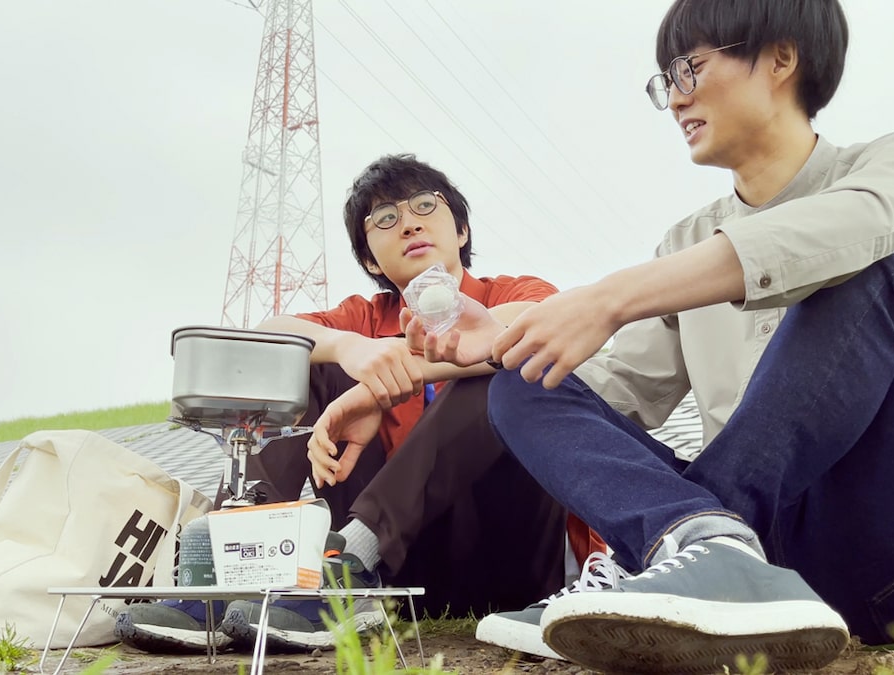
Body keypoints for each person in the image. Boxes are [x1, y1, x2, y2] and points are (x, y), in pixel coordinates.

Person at [406, 0, 894, 672]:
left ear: (782, 57)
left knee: (878, 265)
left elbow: (849, 229)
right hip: (756, 555)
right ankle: (703, 541)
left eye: (689, 69)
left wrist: (611, 297)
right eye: (665, 82)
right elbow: (621, 394)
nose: (675, 99)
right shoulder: (684, 242)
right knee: (524, 385)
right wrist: (501, 342)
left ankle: (694, 543)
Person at [115, 154, 604, 654]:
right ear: (371, 259)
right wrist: (349, 349)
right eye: (385, 218)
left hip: (501, 552)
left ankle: (356, 551)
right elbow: (268, 336)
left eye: (424, 205)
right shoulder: (364, 319)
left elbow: (537, 320)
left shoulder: (510, 292)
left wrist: (383, 383)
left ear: (460, 230)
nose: (408, 222)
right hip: (385, 572)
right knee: (299, 364)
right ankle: (237, 572)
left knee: (508, 363)